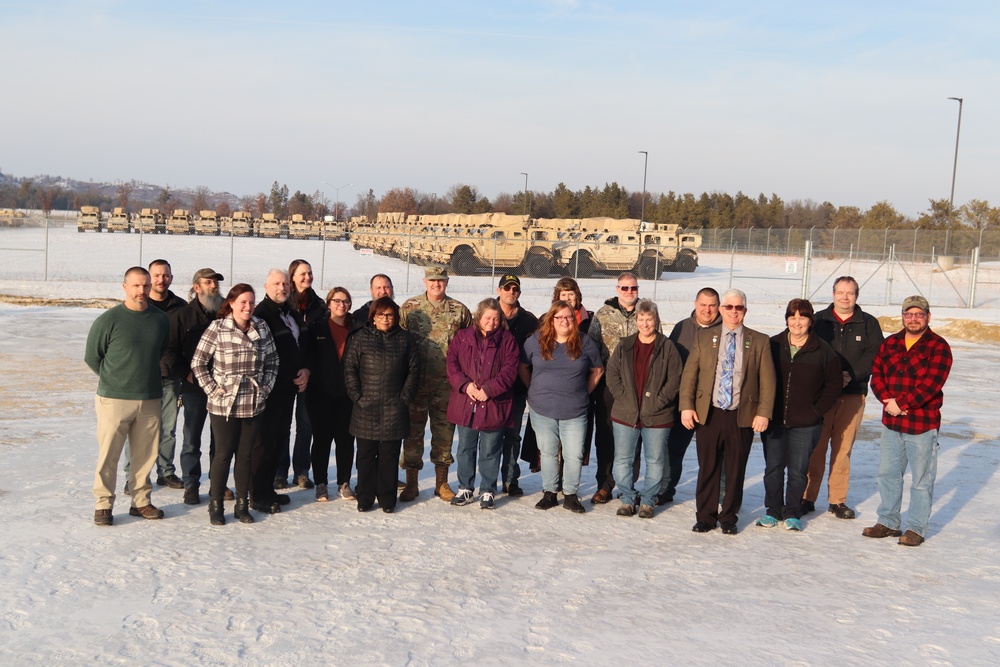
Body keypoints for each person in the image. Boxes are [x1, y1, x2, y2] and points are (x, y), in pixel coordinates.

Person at [680, 288, 775, 535]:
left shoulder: (759, 340)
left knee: (735, 469)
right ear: (722, 309)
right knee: (708, 467)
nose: (734, 312)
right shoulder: (704, 338)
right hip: (709, 413)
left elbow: (768, 381)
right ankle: (705, 516)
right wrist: (686, 407)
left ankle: (729, 517)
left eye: (739, 308)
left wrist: (763, 412)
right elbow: (690, 375)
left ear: (745, 311)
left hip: (741, 414)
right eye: (729, 307)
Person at [863, 296, 952, 547]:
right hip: (891, 422)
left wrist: (901, 403)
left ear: (928, 317)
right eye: (908, 314)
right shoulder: (890, 343)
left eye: (919, 314)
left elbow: (932, 385)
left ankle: (916, 528)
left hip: (922, 424)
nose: (913, 319)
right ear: (902, 316)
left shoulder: (939, 346)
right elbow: (876, 375)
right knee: (888, 474)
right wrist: (888, 401)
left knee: (922, 480)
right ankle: (889, 521)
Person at [84, 266, 170, 525]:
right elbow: (92, 357)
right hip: (114, 399)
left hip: (150, 398)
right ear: (125, 287)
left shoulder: (159, 319)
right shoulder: (109, 320)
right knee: (109, 455)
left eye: (145, 286)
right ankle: (103, 505)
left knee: (145, 455)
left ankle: (140, 501)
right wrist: (116, 380)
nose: (142, 290)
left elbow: (160, 351)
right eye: (136, 286)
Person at [191, 284, 278, 525]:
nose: (248, 307)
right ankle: (216, 503)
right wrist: (213, 389)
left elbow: (273, 361)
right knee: (223, 454)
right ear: (231, 303)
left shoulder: (261, 327)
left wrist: (265, 388)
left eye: (251, 302)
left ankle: (242, 504)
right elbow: (198, 362)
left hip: (253, 400)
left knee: (246, 455)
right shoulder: (218, 328)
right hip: (224, 402)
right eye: (242, 302)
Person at [804, 276, 884, 519]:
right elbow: (808, 349)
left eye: (849, 293)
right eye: (840, 292)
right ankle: (807, 497)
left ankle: (837, 500)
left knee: (842, 449)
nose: (845, 297)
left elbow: (876, 353)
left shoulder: (868, 323)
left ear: (856, 295)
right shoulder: (818, 320)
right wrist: (831, 376)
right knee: (816, 447)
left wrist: (852, 374)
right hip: (821, 396)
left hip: (852, 394)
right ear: (833, 294)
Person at [758, 299, 842, 531]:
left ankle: (792, 512)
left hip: (806, 423)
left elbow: (834, 385)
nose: (797, 322)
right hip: (774, 420)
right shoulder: (773, 344)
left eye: (802, 317)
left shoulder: (822, 350)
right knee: (773, 469)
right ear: (786, 319)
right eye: (792, 317)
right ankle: (772, 510)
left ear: (810, 321)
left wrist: (816, 410)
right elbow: (759, 378)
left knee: (797, 471)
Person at [520, 301, 604, 513]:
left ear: (574, 319)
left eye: (568, 317)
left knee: (574, 453)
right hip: (542, 408)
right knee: (547, 452)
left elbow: (598, 370)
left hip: (575, 410)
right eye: (559, 317)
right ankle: (549, 492)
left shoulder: (585, 342)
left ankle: (570, 494)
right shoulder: (536, 341)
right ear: (552, 319)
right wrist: (532, 389)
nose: (564, 321)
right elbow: (523, 366)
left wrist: (584, 391)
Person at [399, 266, 472, 502]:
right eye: (432, 280)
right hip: (416, 384)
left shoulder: (460, 310)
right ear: (424, 281)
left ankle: (442, 483)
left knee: (444, 435)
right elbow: (398, 343)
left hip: (446, 386)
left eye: (440, 280)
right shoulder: (410, 308)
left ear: (447, 282)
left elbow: (470, 347)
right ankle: (411, 483)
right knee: (412, 435)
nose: (436, 284)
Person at [344, 297, 421, 513]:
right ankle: (365, 498)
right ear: (373, 317)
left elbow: (414, 370)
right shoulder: (360, 338)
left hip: (394, 407)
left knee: (389, 456)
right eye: (380, 315)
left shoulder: (406, 340)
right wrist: (357, 396)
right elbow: (350, 369)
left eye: (389, 315)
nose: (385, 319)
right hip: (365, 407)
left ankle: (387, 499)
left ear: (396, 317)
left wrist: (404, 397)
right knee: (366, 456)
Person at [606, 299, 682, 518]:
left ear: (656, 321)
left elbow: (675, 378)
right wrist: (623, 397)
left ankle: (648, 501)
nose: (645, 323)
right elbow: (612, 374)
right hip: (625, 413)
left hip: (658, 416)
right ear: (636, 320)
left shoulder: (666, 347)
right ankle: (627, 499)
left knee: (655, 460)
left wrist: (658, 402)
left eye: (649, 319)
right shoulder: (625, 345)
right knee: (623, 459)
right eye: (641, 319)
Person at [446, 298, 520, 509]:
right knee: (465, 448)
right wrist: (465, 385)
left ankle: (488, 489)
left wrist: (489, 390)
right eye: (488, 318)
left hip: (493, 404)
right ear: (479, 317)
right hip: (466, 402)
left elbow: (510, 370)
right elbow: (452, 363)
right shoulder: (463, 337)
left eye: (496, 319)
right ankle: (465, 488)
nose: (492, 322)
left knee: (490, 449)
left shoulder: (507, 340)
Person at [123, 259, 186, 492]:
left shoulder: (180, 306)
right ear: (149, 279)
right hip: (140, 379)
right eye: (157, 276)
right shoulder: (140, 304)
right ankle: (133, 476)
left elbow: (185, 342)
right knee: (138, 429)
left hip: (169, 377)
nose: (161, 280)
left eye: (166, 275)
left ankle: (166, 471)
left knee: (168, 428)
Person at [163, 268, 225, 505]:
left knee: (219, 441)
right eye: (208, 283)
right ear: (196, 287)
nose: (213, 287)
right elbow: (169, 349)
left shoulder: (223, 315)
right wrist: (185, 373)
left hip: (221, 389)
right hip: (194, 389)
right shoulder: (183, 316)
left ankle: (217, 486)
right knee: (192, 440)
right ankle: (191, 484)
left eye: (216, 283)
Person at [520, 277, 592, 474]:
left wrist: (585, 389)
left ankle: (569, 486)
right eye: (563, 294)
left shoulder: (589, 320)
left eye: (571, 294)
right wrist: (533, 388)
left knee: (574, 448)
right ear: (556, 298)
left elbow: (596, 363)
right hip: (547, 394)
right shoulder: (545, 319)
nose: (568, 298)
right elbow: (532, 357)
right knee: (548, 445)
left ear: (577, 296)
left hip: (576, 393)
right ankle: (551, 484)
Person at [253, 269, 310, 513]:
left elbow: (302, 346)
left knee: (279, 437)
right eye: (277, 283)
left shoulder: (291, 313)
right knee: (264, 441)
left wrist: (306, 370)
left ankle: (268, 489)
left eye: (286, 284)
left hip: (289, 387)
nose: (282, 288)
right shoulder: (261, 314)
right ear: (266, 286)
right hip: (271, 387)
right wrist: (292, 375)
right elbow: (268, 353)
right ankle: (257, 493)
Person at [659, 287, 721, 505]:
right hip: (682, 401)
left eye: (712, 305)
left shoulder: (725, 329)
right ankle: (665, 489)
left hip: (713, 403)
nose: (707, 309)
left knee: (714, 453)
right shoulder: (682, 327)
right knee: (673, 448)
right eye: (703, 304)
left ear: (718, 306)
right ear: (695, 304)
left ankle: (718, 494)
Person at [588, 272, 641, 504]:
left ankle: (629, 485)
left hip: (638, 385)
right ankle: (605, 484)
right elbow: (591, 348)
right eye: (625, 288)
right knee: (606, 435)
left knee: (634, 435)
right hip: (609, 385)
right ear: (617, 289)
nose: (629, 292)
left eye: (633, 288)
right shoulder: (603, 314)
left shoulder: (647, 312)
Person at [306, 287, 356, 502]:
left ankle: (344, 482)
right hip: (320, 393)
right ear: (328, 303)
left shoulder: (357, 328)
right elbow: (307, 358)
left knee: (345, 440)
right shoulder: (316, 327)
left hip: (348, 395)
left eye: (345, 301)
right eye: (337, 301)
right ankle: (321, 483)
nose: (341, 305)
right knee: (321, 440)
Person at [281, 259, 325, 490]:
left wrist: (309, 369)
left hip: (310, 373)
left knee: (305, 424)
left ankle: (301, 471)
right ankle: (280, 471)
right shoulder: (282, 303)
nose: (307, 277)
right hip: (285, 373)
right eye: (302, 274)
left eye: (309, 273)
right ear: (292, 277)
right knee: (282, 424)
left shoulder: (319, 305)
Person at [496, 274, 538, 497]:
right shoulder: (487, 315)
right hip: (491, 391)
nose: (511, 292)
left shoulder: (529, 320)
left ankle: (511, 479)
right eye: (507, 288)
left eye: (515, 289)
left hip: (517, 389)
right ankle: (489, 479)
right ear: (499, 290)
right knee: (491, 437)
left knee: (512, 436)